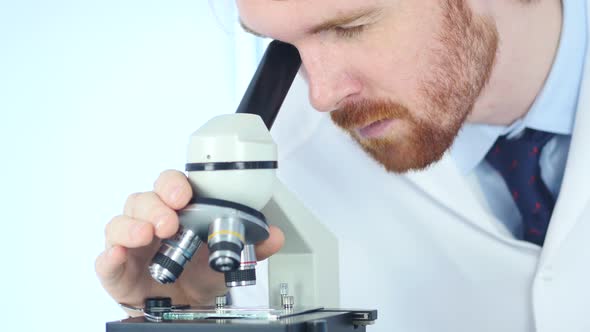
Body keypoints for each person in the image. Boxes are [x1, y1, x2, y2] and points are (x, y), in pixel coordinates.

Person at [96, 0, 590, 331]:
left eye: (350, 27)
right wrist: (197, 314)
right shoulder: (274, 165)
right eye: (284, 47)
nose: (321, 95)